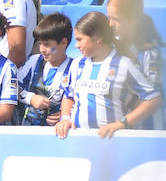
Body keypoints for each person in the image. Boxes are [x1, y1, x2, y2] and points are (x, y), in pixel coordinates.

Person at [55, 11, 162, 139]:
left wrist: (122, 123)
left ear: (98, 38)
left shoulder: (124, 64)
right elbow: (69, 95)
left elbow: (153, 98)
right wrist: (65, 118)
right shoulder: (77, 64)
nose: (76, 45)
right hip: (79, 140)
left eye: (80, 39)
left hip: (113, 142)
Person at [106, 0, 164, 128]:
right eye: (109, 18)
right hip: (122, 131)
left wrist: (122, 121)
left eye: (116, 19)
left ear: (133, 20)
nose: (110, 24)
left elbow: (152, 99)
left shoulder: (149, 53)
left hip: (148, 130)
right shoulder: (112, 48)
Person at [17, 13, 73, 126]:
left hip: (60, 133)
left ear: (63, 42)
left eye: (46, 44)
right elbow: (11, 86)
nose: (42, 49)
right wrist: (30, 98)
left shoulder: (75, 68)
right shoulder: (34, 62)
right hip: (29, 129)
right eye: (40, 44)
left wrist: (67, 114)